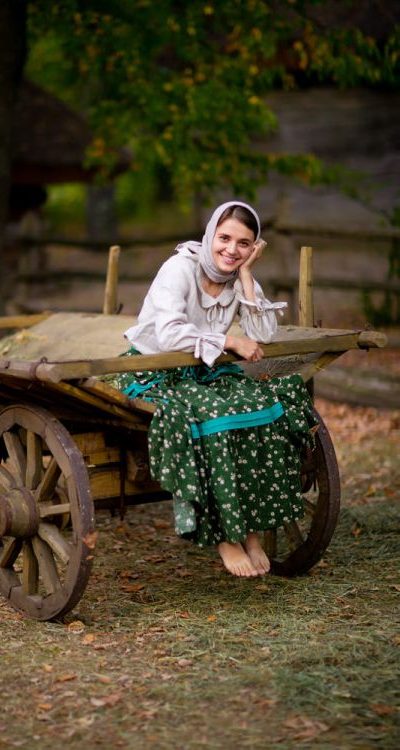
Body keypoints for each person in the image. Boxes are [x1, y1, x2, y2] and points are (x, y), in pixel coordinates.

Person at [118, 201, 316, 578]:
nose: (231, 249)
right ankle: (225, 535)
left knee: (264, 405)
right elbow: (170, 334)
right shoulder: (179, 269)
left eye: (244, 243)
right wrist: (230, 342)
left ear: (253, 248)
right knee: (212, 416)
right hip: (158, 370)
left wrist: (245, 278)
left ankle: (253, 531)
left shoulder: (239, 275)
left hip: (204, 372)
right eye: (224, 238)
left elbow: (262, 334)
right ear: (210, 235)